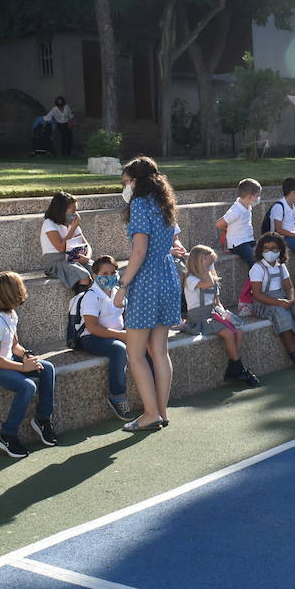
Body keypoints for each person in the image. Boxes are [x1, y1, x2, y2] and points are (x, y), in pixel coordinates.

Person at [114, 156, 181, 432]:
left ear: (136, 181)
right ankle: (161, 412)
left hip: (147, 282)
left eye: (127, 182)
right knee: (160, 350)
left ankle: (151, 413)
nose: (125, 187)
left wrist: (123, 286)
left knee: (136, 353)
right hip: (168, 277)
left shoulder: (140, 204)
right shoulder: (164, 205)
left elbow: (139, 250)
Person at [0, 271, 57, 459]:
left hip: (6, 360)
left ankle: (42, 419)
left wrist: (27, 356)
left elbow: (15, 346)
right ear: (9, 293)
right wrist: (22, 368)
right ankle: (7, 435)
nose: (23, 290)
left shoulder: (10, 315)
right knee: (27, 386)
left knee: (47, 368)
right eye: (19, 287)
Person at [71, 256, 140, 422]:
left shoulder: (118, 292)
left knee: (147, 344)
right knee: (118, 348)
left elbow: (127, 316)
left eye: (113, 272)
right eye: (104, 273)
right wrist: (121, 335)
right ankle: (117, 396)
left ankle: (151, 390)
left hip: (117, 334)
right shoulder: (91, 295)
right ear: (94, 276)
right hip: (92, 338)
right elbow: (93, 327)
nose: (109, 276)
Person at [183, 245, 261, 386]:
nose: (211, 266)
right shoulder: (191, 279)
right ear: (199, 261)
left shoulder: (212, 279)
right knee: (228, 334)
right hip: (200, 316)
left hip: (213, 314)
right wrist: (205, 269)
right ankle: (240, 368)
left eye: (212, 263)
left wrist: (225, 315)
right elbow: (207, 283)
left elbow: (217, 302)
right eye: (208, 261)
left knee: (238, 331)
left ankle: (233, 368)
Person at [249, 232, 295, 370]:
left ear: (281, 250)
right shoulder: (257, 268)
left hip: (282, 298)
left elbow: (289, 287)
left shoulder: (281, 266)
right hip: (264, 302)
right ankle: (293, 354)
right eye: (266, 248)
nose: (270, 251)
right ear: (260, 250)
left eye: (274, 248)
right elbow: (257, 294)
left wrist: (290, 299)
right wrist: (279, 303)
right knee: (283, 317)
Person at [40, 191, 93, 292]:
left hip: (74, 257)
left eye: (76, 211)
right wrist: (72, 229)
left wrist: (87, 258)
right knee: (84, 275)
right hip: (56, 262)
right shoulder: (49, 224)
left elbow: (86, 245)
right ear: (61, 210)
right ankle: (81, 304)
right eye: (72, 212)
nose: (75, 215)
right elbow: (61, 247)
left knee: (97, 270)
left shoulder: (72, 224)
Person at [215, 178, 261, 266]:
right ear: (249, 196)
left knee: (263, 256)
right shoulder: (236, 211)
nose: (258, 198)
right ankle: (254, 279)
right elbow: (218, 224)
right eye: (257, 195)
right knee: (254, 261)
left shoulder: (247, 205)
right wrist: (229, 230)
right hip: (238, 244)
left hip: (248, 240)